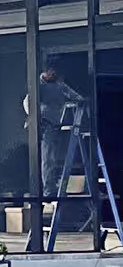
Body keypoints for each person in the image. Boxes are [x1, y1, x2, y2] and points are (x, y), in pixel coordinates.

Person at [25, 66, 86, 198]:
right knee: (47, 157)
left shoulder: (55, 86)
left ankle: (48, 188)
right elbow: (28, 102)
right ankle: (48, 189)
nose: (52, 74)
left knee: (47, 157)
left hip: (45, 123)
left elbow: (77, 97)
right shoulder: (42, 86)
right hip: (45, 123)